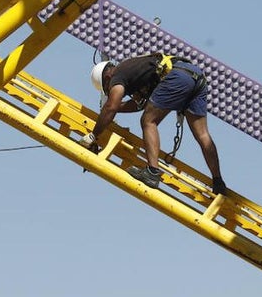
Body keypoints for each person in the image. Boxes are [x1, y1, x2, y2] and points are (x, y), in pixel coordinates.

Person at [80, 53, 226, 194]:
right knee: (202, 134)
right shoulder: (135, 70)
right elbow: (138, 105)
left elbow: (111, 107)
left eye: (107, 89)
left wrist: (93, 135)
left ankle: (152, 172)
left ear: (107, 78)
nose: (110, 91)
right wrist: (115, 107)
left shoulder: (117, 75)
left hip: (179, 77)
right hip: (195, 76)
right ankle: (218, 182)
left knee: (148, 121)